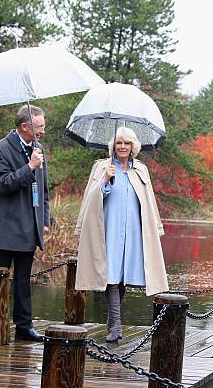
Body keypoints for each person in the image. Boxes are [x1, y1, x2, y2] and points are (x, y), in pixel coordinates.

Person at [75, 127, 168, 342]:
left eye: (127, 143)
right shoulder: (101, 167)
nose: (123, 147)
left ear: (133, 146)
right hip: (109, 228)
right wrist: (105, 180)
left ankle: (112, 321)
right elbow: (92, 199)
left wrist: (155, 228)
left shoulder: (141, 170)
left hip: (133, 231)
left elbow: (149, 203)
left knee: (123, 277)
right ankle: (116, 325)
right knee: (111, 275)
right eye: (119, 143)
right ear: (113, 146)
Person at [0, 105, 49, 342]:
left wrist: (44, 221)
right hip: (8, 228)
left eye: (43, 126)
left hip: (30, 228)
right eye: (39, 127)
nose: (42, 132)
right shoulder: (1, 149)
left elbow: (44, 192)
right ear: (25, 126)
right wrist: (29, 168)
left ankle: (24, 327)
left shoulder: (38, 149)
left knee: (23, 283)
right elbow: (5, 184)